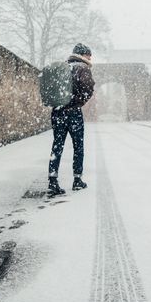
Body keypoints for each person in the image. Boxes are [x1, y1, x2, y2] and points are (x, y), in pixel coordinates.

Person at [47, 43, 95, 195]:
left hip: (57, 111)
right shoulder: (82, 68)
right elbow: (88, 89)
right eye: (89, 54)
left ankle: (53, 180)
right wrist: (78, 102)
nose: (90, 57)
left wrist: (61, 104)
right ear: (83, 55)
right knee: (78, 146)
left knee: (57, 145)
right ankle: (77, 180)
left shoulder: (62, 68)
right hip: (73, 112)